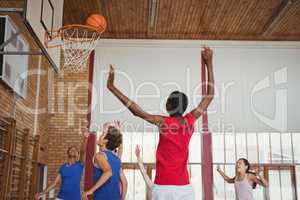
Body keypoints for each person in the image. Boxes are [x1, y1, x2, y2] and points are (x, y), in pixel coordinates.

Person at [107, 47, 215, 200]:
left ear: (168, 106)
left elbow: (137, 111)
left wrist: (112, 88)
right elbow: (209, 96)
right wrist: (209, 62)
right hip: (184, 188)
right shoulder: (190, 119)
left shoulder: (163, 122)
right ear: (183, 108)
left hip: (163, 187)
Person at [35, 125, 89, 200]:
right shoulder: (63, 167)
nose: (73, 150)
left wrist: (85, 139)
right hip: (61, 197)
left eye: (75, 150)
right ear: (68, 153)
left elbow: (83, 151)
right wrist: (42, 193)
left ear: (77, 154)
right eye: (71, 149)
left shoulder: (80, 164)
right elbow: (54, 183)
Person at [82, 121, 127, 200]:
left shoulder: (99, 156)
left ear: (105, 141)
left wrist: (90, 191)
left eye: (103, 134)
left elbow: (108, 172)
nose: (100, 135)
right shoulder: (117, 159)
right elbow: (125, 183)